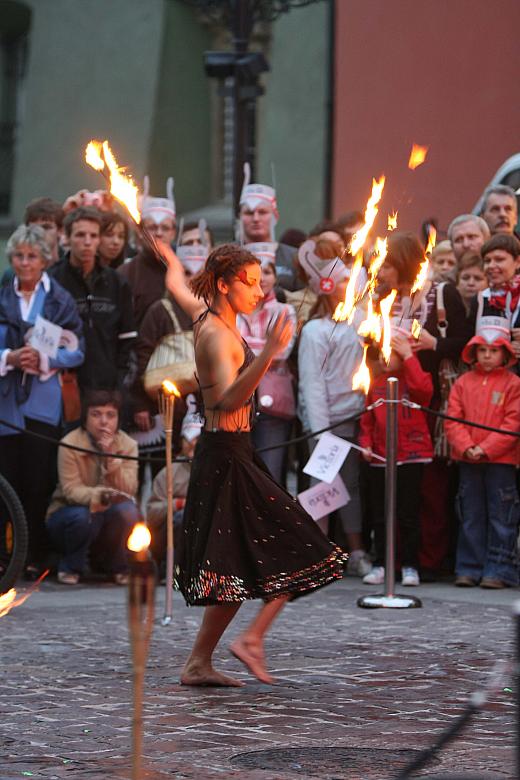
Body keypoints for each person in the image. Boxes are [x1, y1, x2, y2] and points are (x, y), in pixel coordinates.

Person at [162, 240, 347, 686]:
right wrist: (268, 354)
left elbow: (178, 288)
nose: (260, 291)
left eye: (261, 281)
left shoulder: (207, 313)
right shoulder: (216, 336)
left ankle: (199, 663)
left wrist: (170, 261)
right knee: (299, 542)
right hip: (225, 457)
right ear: (225, 285)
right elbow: (226, 399)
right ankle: (248, 642)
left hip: (236, 452)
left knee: (236, 564)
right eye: (249, 282)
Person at [0, 225, 84, 578]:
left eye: (32, 256)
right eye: (19, 256)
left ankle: (30, 555)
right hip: (6, 404)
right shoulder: (1, 296)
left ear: (45, 260)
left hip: (42, 401)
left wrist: (46, 359)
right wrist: (10, 357)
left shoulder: (60, 300)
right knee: (6, 481)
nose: (25, 262)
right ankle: (4, 557)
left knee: (36, 482)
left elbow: (78, 350)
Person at [297, 237, 370, 575]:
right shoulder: (314, 331)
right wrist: (321, 428)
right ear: (326, 286)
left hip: (353, 417)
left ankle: (355, 553)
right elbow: (311, 383)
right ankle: (315, 555)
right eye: (341, 279)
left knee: (351, 484)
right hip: (325, 421)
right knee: (321, 484)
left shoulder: (360, 320)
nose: (349, 283)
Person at [445, 323, 520, 588]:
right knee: (470, 515)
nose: (488, 355)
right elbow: (452, 419)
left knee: (502, 516)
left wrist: (485, 448)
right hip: (468, 459)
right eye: (483, 350)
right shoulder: (463, 383)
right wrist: (467, 447)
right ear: (474, 352)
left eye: (494, 350)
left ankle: (499, 570)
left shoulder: (513, 384)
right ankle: (468, 567)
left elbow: (513, 424)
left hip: (501, 461)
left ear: (505, 354)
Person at [360, 332, 434, 587]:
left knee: (409, 514)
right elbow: (367, 420)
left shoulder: (413, 379)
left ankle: (411, 565)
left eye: (392, 354)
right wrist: (366, 444)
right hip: (381, 456)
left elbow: (424, 391)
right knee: (381, 514)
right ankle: (382, 562)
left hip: (411, 456)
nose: (386, 359)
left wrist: (410, 357)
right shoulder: (375, 383)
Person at [46, 390, 139, 585]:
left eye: (110, 415)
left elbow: (129, 489)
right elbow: (71, 491)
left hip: (109, 513)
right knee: (83, 516)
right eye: (96, 415)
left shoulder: (128, 445)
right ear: (85, 419)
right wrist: (100, 496)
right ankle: (71, 566)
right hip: (69, 512)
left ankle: (118, 566)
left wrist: (111, 458)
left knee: (128, 512)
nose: (104, 422)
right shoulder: (70, 443)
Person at [50, 207, 136, 394]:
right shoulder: (51, 281)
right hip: (61, 388)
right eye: (80, 235)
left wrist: (119, 385)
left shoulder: (117, 282)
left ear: (99, 239)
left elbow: (128, 342)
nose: (87, 242)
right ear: (67, 237)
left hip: (106, 390)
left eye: (93, 235)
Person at [237, 243, 297, 483]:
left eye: (268, 272)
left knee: (269, 476)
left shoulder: (285, 311)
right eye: (255, 273)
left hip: (273, 404)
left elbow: (281, 353)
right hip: (237, 402)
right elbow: (231, 351)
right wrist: (266, 346)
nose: (261, 279)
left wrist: (247, 346)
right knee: (241, 474)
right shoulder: (233, 309)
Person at [146, 403, 202, 566]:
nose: (192, 444)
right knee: (182, 517)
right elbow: (151, 514)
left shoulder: (215, 471)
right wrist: (177, 504)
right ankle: (171, 565)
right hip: (169, 533)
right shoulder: (169, 472)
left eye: (198, 439)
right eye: (188, 439)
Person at [118, 176, 176, 327]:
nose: (158, 233)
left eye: (165, 228)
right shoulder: (126, 274)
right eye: (152, 227)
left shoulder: (185, 272)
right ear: (141, 232)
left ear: (173, 233)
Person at [238, 163, 300, 292]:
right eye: (249, 213)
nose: (255, 218)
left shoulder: (294, 258)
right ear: (240, 216)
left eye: (262, 212)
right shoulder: (227, 258)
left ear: (275, 216)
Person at [469, 234, 520, 363]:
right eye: (487, 261)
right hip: (489, 380)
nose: (491, 265)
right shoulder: (480, 300)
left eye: (499, 259)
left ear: (518, 262)